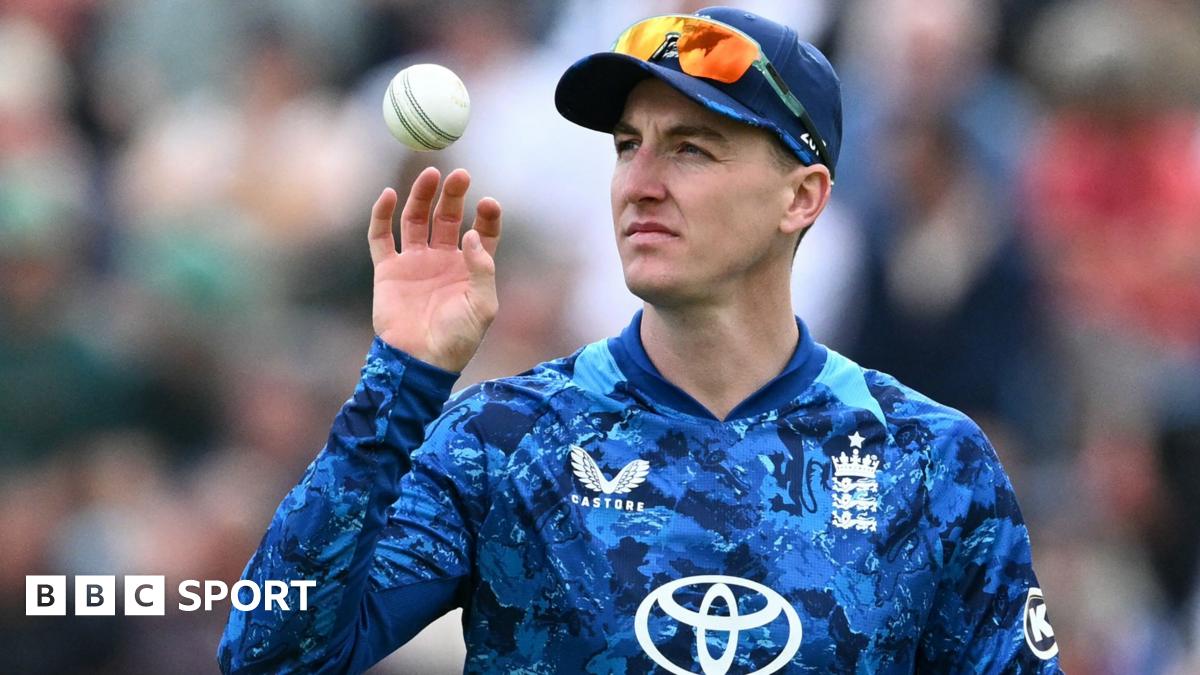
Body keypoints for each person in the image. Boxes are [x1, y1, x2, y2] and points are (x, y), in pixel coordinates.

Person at [218, 7, 1062, 673]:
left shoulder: (930, 460)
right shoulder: (503, 438)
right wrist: (401, 378)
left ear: (802, 198)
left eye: (693, 149)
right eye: (629, 146)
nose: (640, 184)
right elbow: (271, 654)